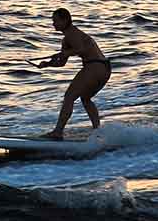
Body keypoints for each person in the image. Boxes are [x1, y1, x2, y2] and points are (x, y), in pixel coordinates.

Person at [38, 8, 111, 140]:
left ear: (65, 20)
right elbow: (62, 63)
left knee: (69, 96)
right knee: (85, 98)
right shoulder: (67, 39)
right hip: (104, 69)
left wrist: (64, 53)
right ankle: (97, 132)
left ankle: (57, 132)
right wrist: (47, 64)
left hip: (94, 66)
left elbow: (80, 49)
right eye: (52, 21)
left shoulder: (72, 33)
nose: (53, 24)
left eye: (55, 21)